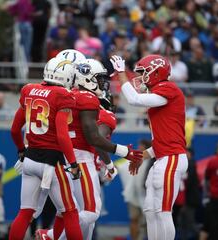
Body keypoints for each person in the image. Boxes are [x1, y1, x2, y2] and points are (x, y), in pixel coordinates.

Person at [43, 52, 142, 240]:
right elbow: (95, 139)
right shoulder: (97, 106)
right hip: (81, 161)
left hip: (58, 157)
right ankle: (49, 236)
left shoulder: (66, 95)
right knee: (90, 212)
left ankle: (51, 235)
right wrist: (120, 155)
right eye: (100, 79)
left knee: (67, 211)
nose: (104, 84)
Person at [111, 54, 188, 240]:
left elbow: (134, 100)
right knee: (150, 210)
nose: (140, 77)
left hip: (171, 158)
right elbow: (162, 141)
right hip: (163, 157)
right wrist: (141, 157)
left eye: (144, 73)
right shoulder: (160, 95)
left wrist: (122, 74)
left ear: (156, 73)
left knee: (162, 211)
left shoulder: (168, 88)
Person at [9, 57, 83, 240]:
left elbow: (14, 129)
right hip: (52, 162)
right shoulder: (62, 95)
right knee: (70, 212)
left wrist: (20, 149)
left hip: (31, 159)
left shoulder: (29, 90)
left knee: (25, 213)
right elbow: (62, 134)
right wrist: (73, 163)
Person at [123, 139, 152, 240]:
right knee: (134, 219)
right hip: (133, 195)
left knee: (149, 221)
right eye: (139, 146)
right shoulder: (134, 158)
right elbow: (122, 165)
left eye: (141, 146)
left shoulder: (152, 161)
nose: (139, 148)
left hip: (147, 196)